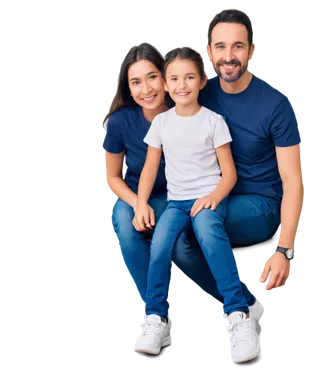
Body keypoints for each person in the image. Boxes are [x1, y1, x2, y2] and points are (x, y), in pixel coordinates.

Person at [171, 6, 304, 328]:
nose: (228, 56)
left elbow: (293, 179)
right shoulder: (199, 93)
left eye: (237, 46)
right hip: (210, 194)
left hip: (259, 205)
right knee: (168, 233)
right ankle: (245, 303)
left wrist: (284, 250)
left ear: (252, 51)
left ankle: (238, 313)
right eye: (220, 46)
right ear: (208, 52)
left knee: (194, 222)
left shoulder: (276, 105)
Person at [131, 45, 262, 364]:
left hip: (210, 199)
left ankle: (238, 314)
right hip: (176, 203)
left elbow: (229, 174)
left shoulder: (213, 121)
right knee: (160, 245)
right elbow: (150, 169)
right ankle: (156, 319)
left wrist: (214, 197)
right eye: (173, 78)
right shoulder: (161, 123)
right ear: (164, 83)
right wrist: (140, 205)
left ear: (203, 80)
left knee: (209, 236)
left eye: (189, 77)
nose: (181, 85)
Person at [101, 41, 172, 307]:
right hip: (135, 194)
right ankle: (155, 312)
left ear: (165, 76)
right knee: (120, 217)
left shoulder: (187, 111)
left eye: (152, 77)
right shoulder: (120, 122)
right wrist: (138, 203)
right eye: (136, 82)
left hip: (177, 196)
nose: (147, 89)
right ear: (128, 88)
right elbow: (113, 177)